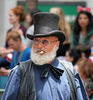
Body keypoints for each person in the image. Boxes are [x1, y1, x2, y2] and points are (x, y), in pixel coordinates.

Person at [2, 12, 88, 100]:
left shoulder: (71, 72)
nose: (39, 46)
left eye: (45, 42)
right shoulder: (19, 72)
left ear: (57, 45)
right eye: (36, 41)